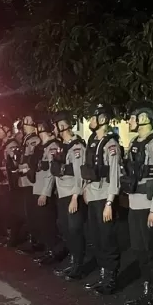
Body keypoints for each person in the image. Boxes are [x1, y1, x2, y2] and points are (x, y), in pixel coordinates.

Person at [121, 102, 153, 305]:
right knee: (139, 250)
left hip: (149, 206)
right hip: (134, 204)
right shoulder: (134, 142)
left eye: (133, 117)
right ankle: (147, 290)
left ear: (144, 119)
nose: (129, 121)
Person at [79, 104, 122, 294]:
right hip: (93, 195)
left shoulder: (111, 145)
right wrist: (86, 189)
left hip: (105, 197)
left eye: (94, 118)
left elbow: (114, 175)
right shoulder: (92, 142)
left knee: (107, 239)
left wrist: (110, 203)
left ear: (103, 120)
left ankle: (111, 279)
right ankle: (103, 275)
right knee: (96, 238)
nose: (91, 121)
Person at [50, 112, 87, 279]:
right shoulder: (63, 145)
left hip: (72, 194)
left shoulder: (76, 146)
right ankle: (73, 261)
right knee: (65, 229)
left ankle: (78, 266)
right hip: (62, 194)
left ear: (62, 126)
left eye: (56, 125)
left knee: (74, 231)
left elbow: (80, 174)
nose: (54, 129)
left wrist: (75, 197)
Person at [31, 116, 66, 266]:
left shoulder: (52, 146)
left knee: (48, 223)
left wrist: (45, 192)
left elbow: (52, 171)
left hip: (46, 191)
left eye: (38, 127)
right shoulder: (42, 146)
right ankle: (49, 249)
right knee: (42, 223)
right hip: (38, 187)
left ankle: (56, 251)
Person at [15, 114, 44, 254]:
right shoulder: (25, 139)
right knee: (29, 212)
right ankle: (33, 239)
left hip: (31, 181)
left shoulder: (34, 140)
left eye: (26, 124)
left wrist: (22, 167)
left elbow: (31, 159)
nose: (24, 127)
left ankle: (37, 242)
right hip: (25, 180)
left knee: (34, 213)